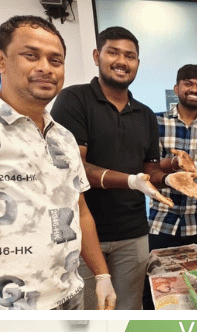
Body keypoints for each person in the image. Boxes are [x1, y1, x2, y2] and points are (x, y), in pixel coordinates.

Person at [0, 15, 116, 310]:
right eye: (30, 55)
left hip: (69, 295)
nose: (45, 68)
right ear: (1, 60)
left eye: (55, 60)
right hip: (5, 309)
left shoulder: (63, 137)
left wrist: (102, 274)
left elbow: (80, 210)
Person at [50, 27, 180, 308]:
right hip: (82, 232)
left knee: (128, 310)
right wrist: (131, 181)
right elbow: (75, 169)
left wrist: (172, 179)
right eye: (113, 52)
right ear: (97, 56)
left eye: (130, 56)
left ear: (137, 64)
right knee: (86, 313)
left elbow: (151, 172)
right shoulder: (74, 100)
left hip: (133, 232)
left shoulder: (145, 114)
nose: (122, 61)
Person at [146, 64, 197, 252]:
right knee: (160, 278)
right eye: (188, 84)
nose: (194, 90)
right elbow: (148, 166)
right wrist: (175, 164)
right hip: (162, 221)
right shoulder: (156, 122)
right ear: (177, 88)